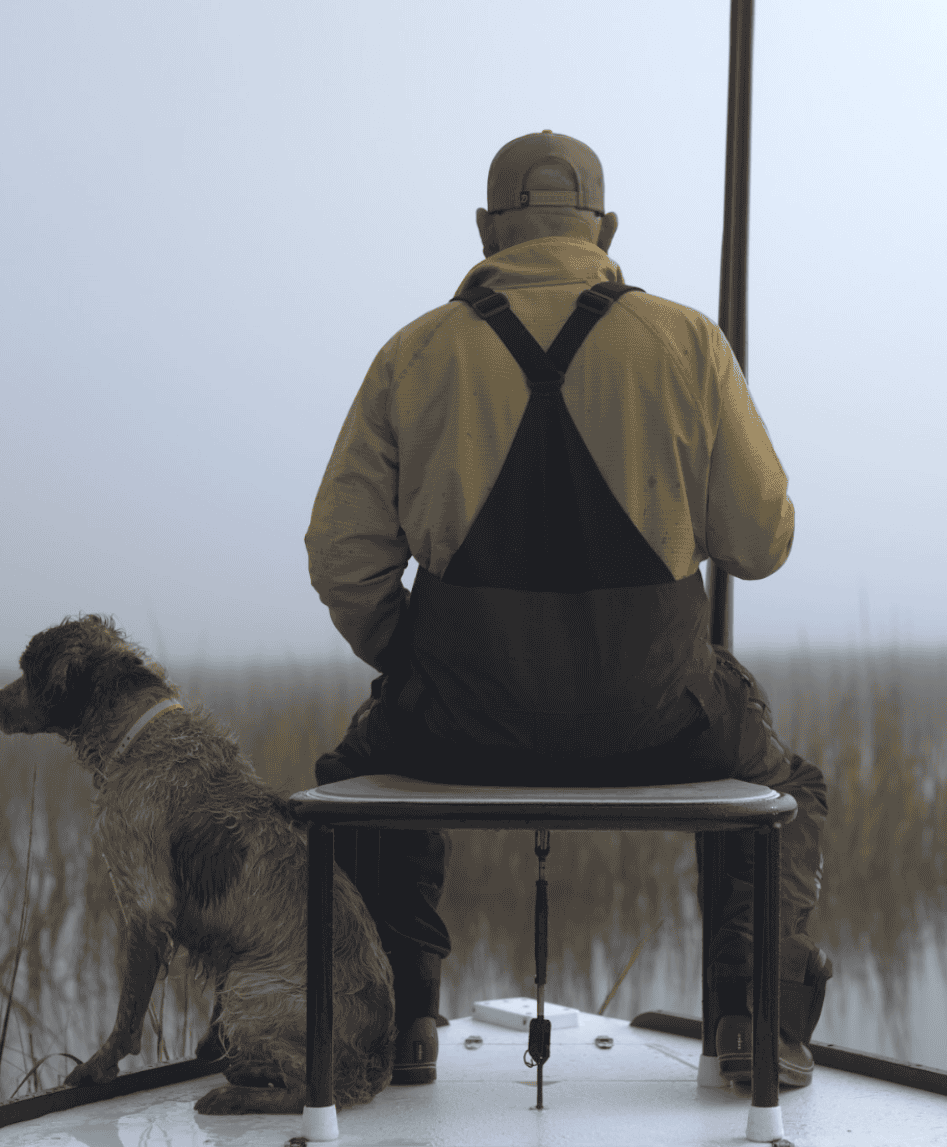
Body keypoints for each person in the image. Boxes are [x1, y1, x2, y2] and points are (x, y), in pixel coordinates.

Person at [305, 130, 831, 1089]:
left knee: (358, 775)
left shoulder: (414, 354)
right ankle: (755, 1027)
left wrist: (418, 658)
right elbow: (762, 543)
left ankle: (402, 1024)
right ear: (609, 228)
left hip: (457, 727)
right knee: (788, 790)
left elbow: (342, 562)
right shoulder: (687, 342)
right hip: (662, 724)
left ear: (483, 229)